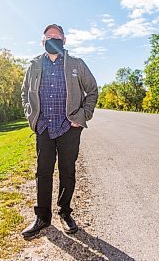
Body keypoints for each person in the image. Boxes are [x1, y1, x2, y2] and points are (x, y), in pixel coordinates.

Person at [20, 23, 98, 239]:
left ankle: (65, 213)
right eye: (48, 37)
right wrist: (32, 118)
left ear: (64, 41)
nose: (52, 40)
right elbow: (25, 93)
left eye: (57, 36)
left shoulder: (76, 64)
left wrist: (83, 116)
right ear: (43, 42)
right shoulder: (34, 65)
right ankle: (42, 218)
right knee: (43, 172)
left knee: (67, 171)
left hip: (68, 127)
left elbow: (92, 90)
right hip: (44, 127)